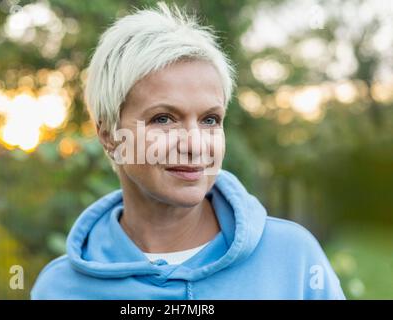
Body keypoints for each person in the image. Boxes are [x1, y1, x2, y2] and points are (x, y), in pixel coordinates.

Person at [31, 2, 345, 300]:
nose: (194, 145)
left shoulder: (293, 259)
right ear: (109, 136)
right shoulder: (59, 288)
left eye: (210, 119)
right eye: (163, 119)